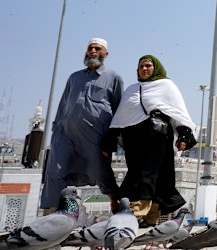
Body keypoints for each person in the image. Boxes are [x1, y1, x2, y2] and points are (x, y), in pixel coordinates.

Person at [109, 55, 197, 227]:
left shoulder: (167, 86)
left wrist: (184, 136)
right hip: (133, 140)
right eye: (141, 66)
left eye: (148, 65)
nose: (144, 69)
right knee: (141, 172)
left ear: (156, 68)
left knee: (147, 173)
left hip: (157, 137)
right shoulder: (132, 89)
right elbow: (121, 117)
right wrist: (110, 141)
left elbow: (178, 112)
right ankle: (150, 216)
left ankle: (135, 211)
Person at [40, 38, 123, 213]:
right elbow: (63, 105)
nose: (92, 51)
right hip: (65, 133)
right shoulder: (74, 77)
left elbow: (119, 111)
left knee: (100, 171)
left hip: (94, 135)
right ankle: (51, 217)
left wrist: (111, 141)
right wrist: (56, 132)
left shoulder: (113, 77)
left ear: (105, 54)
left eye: (97, 48)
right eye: (90, 48)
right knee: (55, 171)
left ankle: (115, 203)